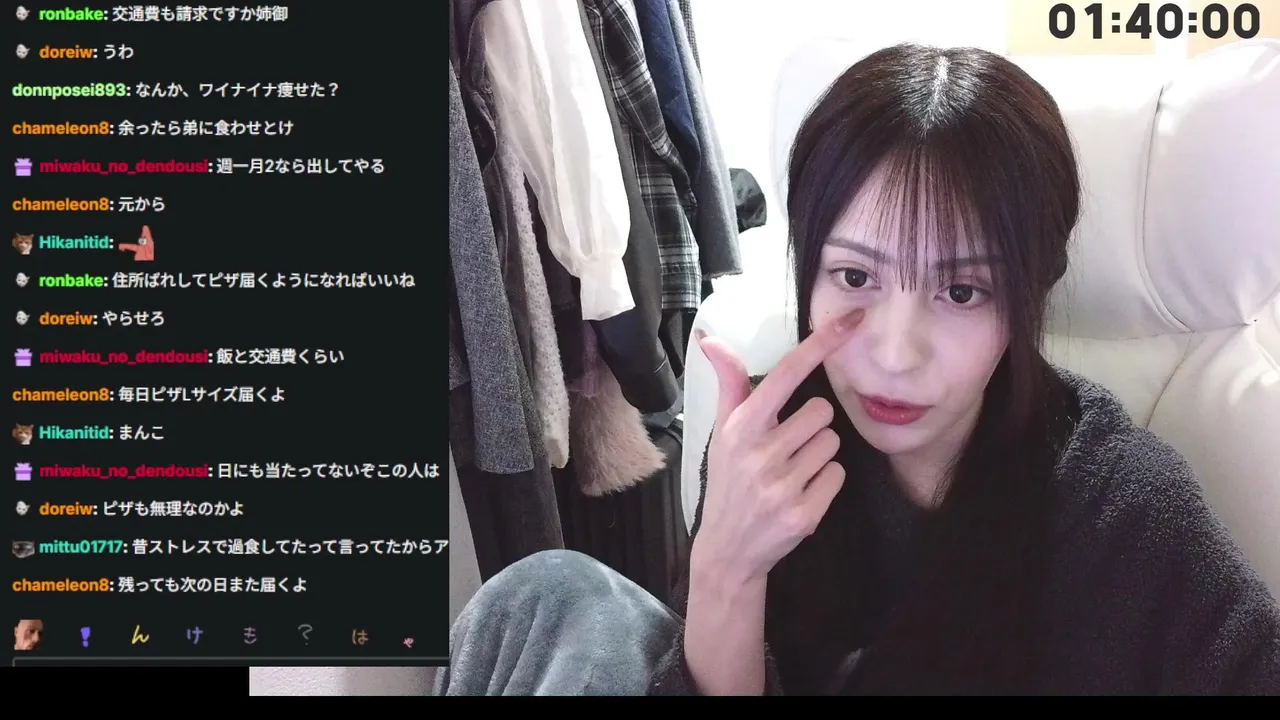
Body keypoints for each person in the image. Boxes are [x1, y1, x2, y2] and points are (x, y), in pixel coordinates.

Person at [436, 43, 1280, 696]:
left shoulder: (1119, 505)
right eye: (854, 277)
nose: (894, 351)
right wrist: (727, 565)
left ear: (1029, 296)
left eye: (961, 290)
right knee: (544, 593)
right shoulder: (771, 442)